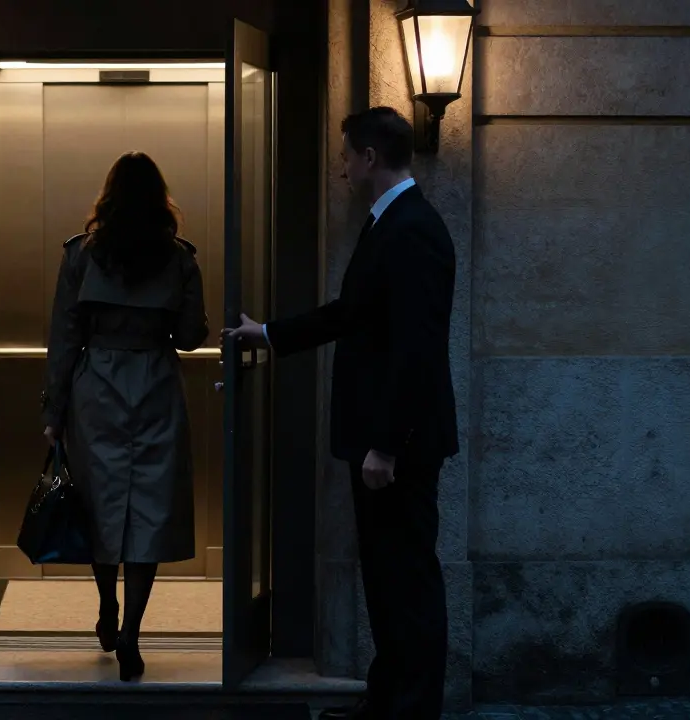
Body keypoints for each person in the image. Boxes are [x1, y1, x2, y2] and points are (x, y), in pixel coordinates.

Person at [223, 107, 459, 719]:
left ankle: (409, 711)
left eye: (346, 154)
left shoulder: (411, 230)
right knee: (385, 579)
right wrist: (270, 333)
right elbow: (351, 312)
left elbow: (418, 349)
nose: (342, 165)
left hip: (396, 446)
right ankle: (388, 700)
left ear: (369, 158)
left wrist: (386, 444)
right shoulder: (392, 223)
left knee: (405, 583)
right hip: (385, 441)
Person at [41, 151, 209, 683]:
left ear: (107, 196)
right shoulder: (179, 258)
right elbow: (187, 337)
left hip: (97, 391)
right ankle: (132, 633)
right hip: (155, 387)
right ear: (161, 199)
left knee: (101, 505)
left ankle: (107, 605)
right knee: (149, 513)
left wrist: (54, 411)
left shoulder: (79, 256)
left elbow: (64, 339)